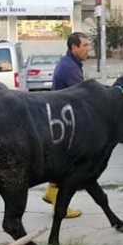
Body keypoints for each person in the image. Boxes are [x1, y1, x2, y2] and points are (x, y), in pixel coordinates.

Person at [44, 32, 91, 218]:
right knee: (69, 165)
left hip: (62, 121)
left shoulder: (71, 64)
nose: (88, 49)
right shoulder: (70, 68)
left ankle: (52, 192)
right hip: (65, 124)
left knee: (62, 163)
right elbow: (83, 94)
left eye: (88, 45)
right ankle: (60, 206)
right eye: (85, 45)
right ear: (74, 47)